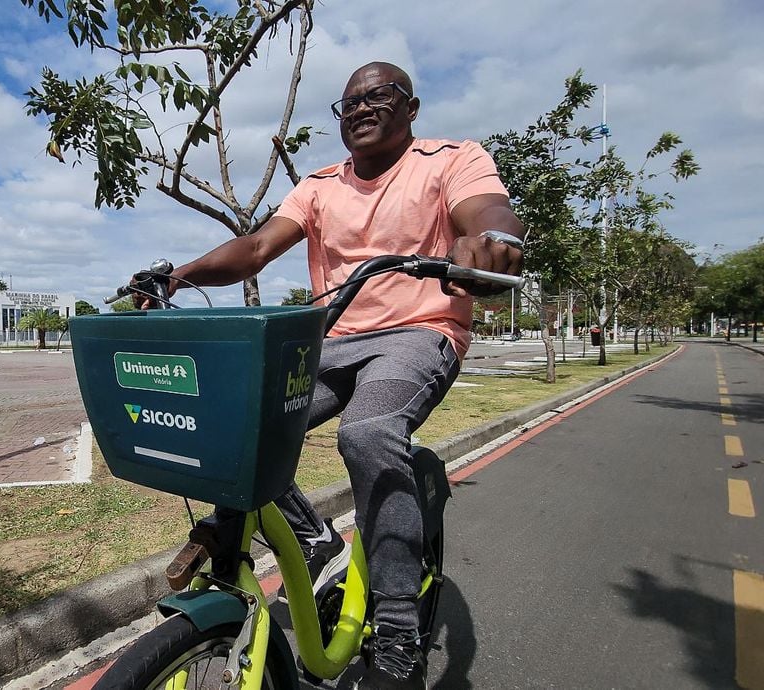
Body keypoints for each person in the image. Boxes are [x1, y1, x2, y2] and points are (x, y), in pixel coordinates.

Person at [137, 62, 524, 686]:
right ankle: (316, 541)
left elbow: (490, 213)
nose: (361, 109)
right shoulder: (318, 185)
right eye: (348, 103)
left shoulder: (450, 160)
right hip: (333, 341)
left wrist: (490, 243)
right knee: (237, 430)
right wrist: (180, 274)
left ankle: (396, 618)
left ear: (412, 107)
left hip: (420, 334)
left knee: (367, 434)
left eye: (379, 96)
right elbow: (258, 248)